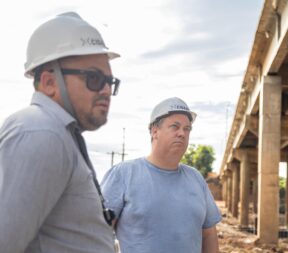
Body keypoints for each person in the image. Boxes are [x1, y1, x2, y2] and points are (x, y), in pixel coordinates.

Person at [0, 12, 120, 253]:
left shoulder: (60, 134)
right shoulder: (41, 133)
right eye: (94, 78)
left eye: (110, 81)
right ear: (49, 83)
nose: (106, 90)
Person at [101, 97, 222, 253]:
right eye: (175, 126)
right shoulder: (123, 174)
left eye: (187, 129)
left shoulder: (196, 179)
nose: (182, 134)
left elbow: (208, 235)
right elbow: (98, 233)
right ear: (154, 131)